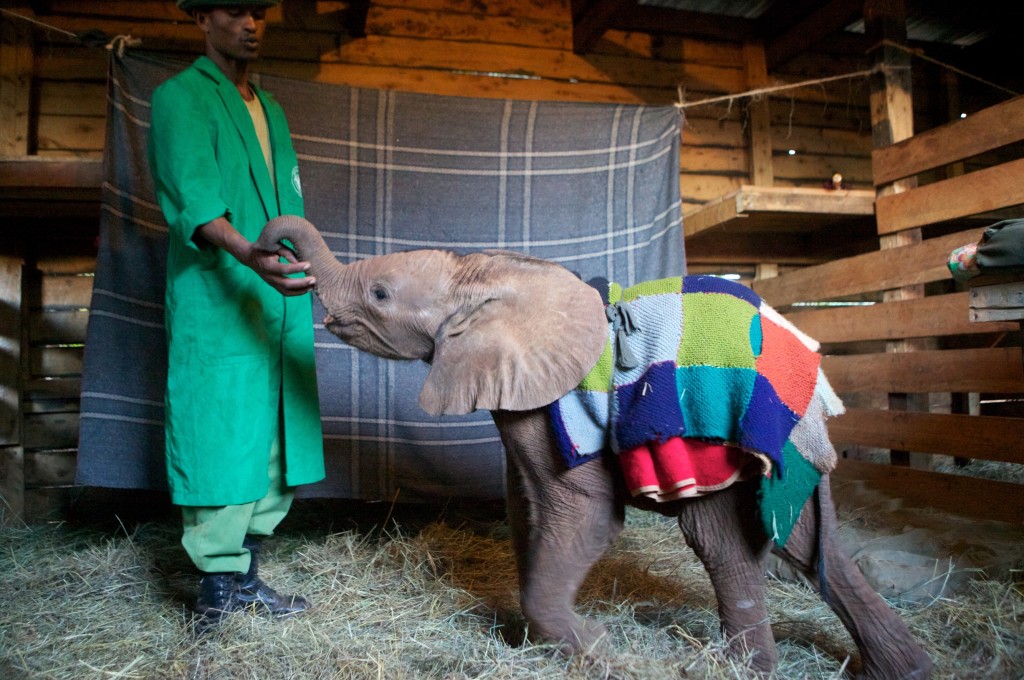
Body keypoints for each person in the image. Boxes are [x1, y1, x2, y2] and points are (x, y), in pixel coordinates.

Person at [147, 0, 325, 625]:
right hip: (220, 294)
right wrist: (251, 254)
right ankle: (215, 589)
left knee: (275, 427)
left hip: (277, 295)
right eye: (232, 9)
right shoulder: (179, 99)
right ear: (201, 17)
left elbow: (288, 204)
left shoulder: (271, 110)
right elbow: (195, 203)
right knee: (220, 429)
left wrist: (310, 268)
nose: (250, 24)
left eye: (259, 11)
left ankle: (246, 574)